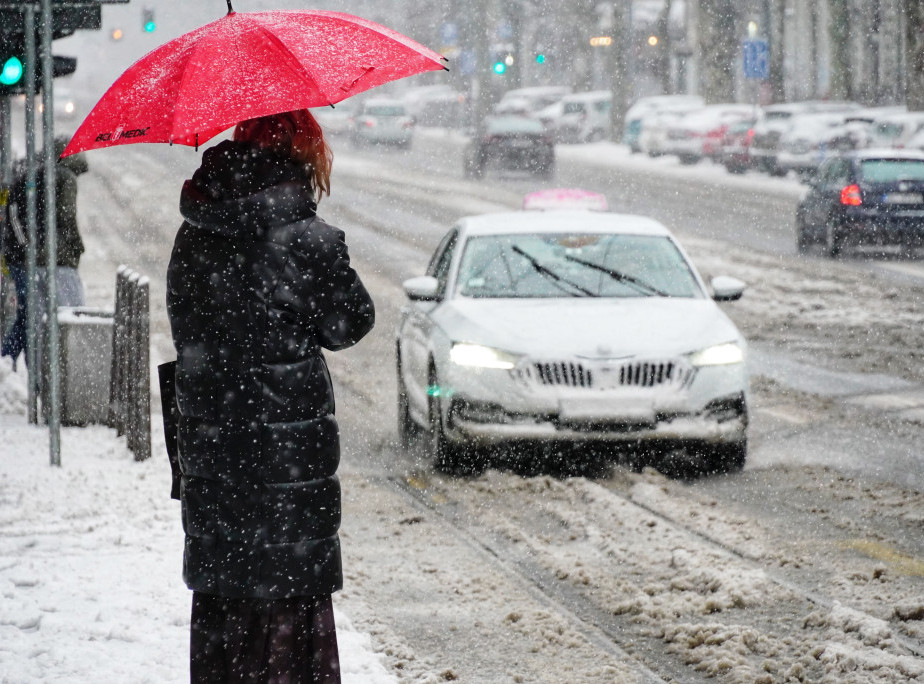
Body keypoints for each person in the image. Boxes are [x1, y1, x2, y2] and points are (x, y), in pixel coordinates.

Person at [165, 109, 375, 683]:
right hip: (287, 470)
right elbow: (350, 324)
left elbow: (189, 327)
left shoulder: (196, 231)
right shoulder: (310, 240)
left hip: (216, 459)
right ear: (304, 156)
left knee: (227, 606)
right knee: (287, 613)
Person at [1, 137, 88, 367]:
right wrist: (74, 247)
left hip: (20, 256)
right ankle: (29, 370)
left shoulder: (36, 172)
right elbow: (65, 219)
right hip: (28, 259)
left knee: (27, 316)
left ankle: (12, 364)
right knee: (33, 318)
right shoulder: (64, 177)